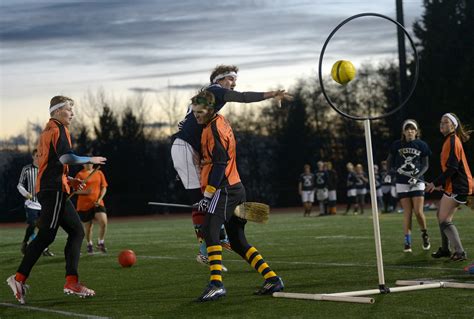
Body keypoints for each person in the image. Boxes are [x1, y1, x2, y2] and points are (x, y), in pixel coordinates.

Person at [171, 64, 292, 266]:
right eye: (230, 79)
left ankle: (219, 233)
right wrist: (271, 94)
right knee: (201, 200)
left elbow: (189, 118)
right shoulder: (215, 91)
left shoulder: (206, 96)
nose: (234, 84)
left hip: (190, 149)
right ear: (218, 80)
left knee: (208, 196)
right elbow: (243, 97)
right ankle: (208, 246)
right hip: (185, 148)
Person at [6, 95, 106, 304]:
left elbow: (51, 165)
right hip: (53, 191)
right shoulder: (59, 129)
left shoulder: (47, 131)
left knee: (76, 232)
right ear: (58, 110)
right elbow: (66, 158)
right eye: (70, 109)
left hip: (54, 188)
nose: (73, 113)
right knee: (46, 236)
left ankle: (71, 280)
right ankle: (19, 278)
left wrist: (68, 179)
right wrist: (89, 159)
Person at [192, 90, 284, 302]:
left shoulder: (214, 128)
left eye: (200, 112)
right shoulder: (217, 122)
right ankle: (272, 279)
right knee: (237, 240)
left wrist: (208, 194)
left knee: (209, 229)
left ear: (211, 110)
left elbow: (220, 163)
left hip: (225, 189)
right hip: (236, 187)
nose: (196, 115)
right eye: (194, 111)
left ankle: (216, 284)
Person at [427, 113, 473, 261]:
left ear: (453, 125)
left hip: (459, 186)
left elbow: (452, 168)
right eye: (441, 122)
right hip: (456, 185)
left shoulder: (453, 141)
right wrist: (442, 184)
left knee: (444, 220)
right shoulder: (450, 140)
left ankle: (459, 252)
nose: (442, 124)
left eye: (445, 122)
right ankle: (446, 249)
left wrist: (435, 183)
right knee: (440, 213)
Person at [387, 119, 431, 253]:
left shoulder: (422, 145)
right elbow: (389, 162)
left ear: (416, 132)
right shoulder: (396, 145)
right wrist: (392, 172)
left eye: (412, 129)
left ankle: (424, 234)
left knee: (418, 211)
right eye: (407, 129)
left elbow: (425, 165)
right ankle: (407, 241)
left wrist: (417, 177)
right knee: (407, 212)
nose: (410, 131)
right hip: (401, 182)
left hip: (417, 182)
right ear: (403, 131)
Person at [17, 149, 54, 257]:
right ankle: (25, 242)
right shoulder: (27, 169)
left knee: (45, 227)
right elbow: (19, 185)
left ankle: (45, 248)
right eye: (36, 156)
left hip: (44, 203)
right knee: (33, 224)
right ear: (33, 157)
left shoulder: (46, 169)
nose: (39, 158)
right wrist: (26, 193)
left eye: (40, 156)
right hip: (31, 203)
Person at [74, 163, 108, 254]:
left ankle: (101, 242)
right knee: (88, 228)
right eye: (86, 162)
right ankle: (89, 244)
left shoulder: (99, 172)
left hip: (97, 203)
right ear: (83, 164)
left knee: (103, 222)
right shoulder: (80, 174)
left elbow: (104, 187)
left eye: (90, 162)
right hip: (84, 205)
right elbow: (74, 190)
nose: (89, 164)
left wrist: (100, 198)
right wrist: (85, 192)